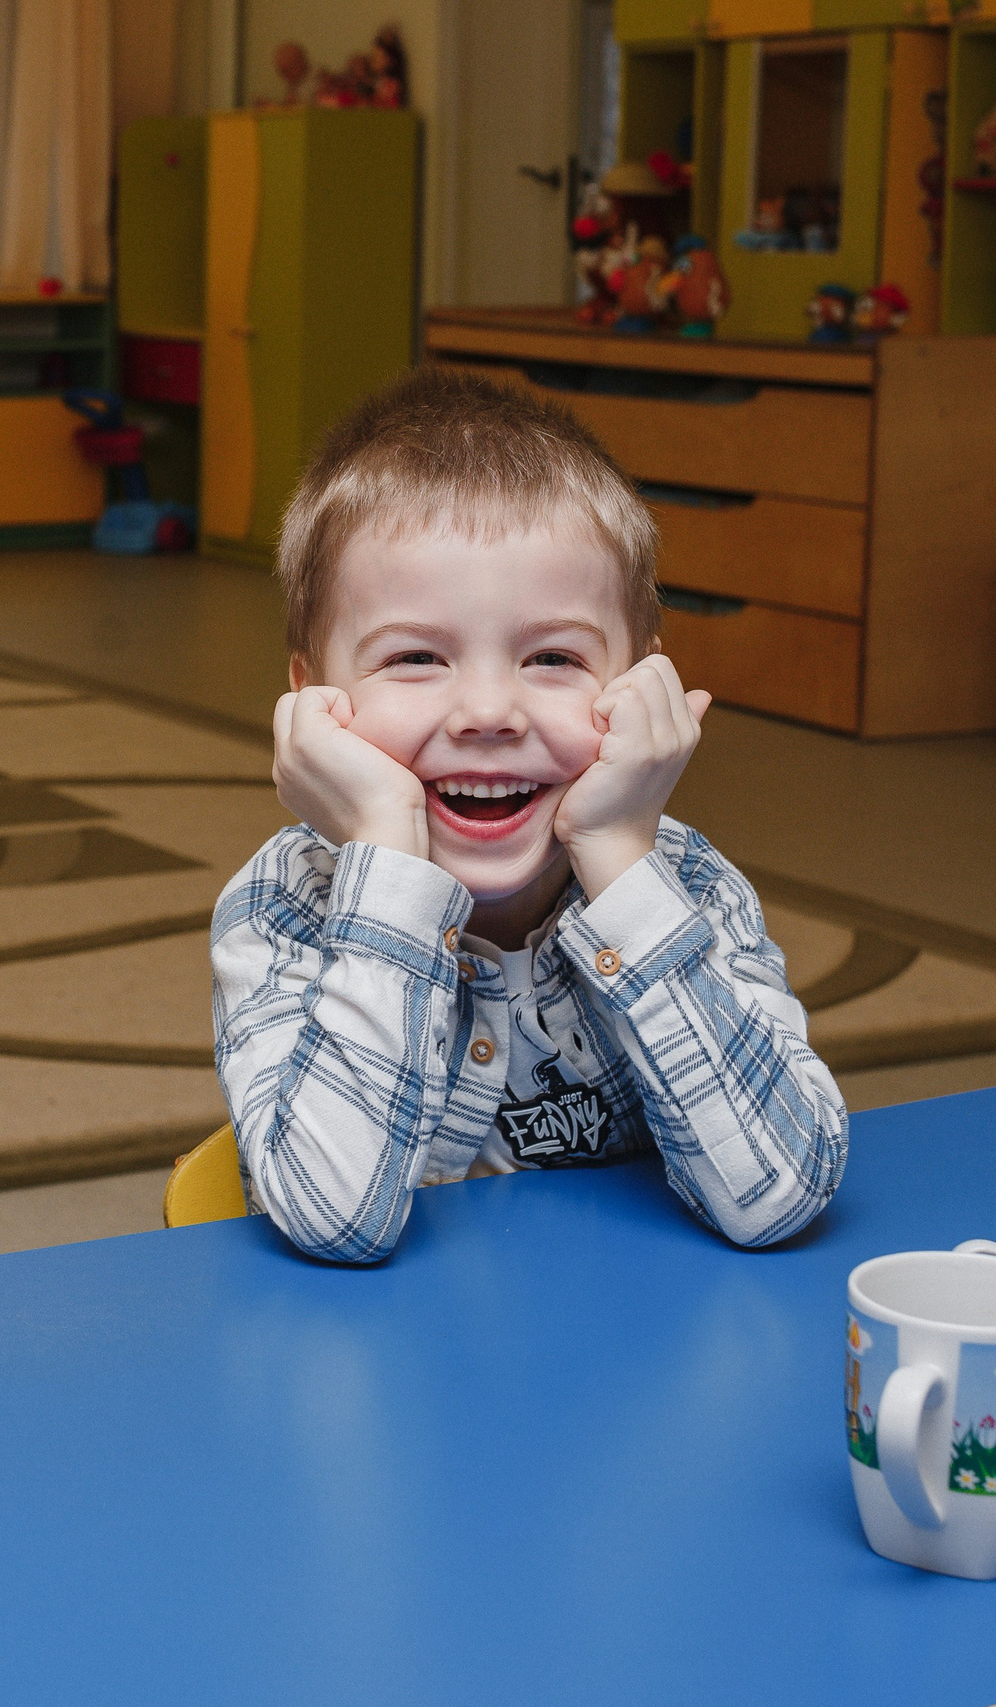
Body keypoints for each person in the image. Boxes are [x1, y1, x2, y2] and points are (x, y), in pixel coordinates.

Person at [212, 366, 846, 1264]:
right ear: (315, 700)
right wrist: (389, 858)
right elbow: (336, 1220)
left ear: (639, 685)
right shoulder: (284, 906)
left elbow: (780, 1192)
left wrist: (621, 857)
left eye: (552, 656)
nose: (488, 711)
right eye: (417, 657)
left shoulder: (682, 885)